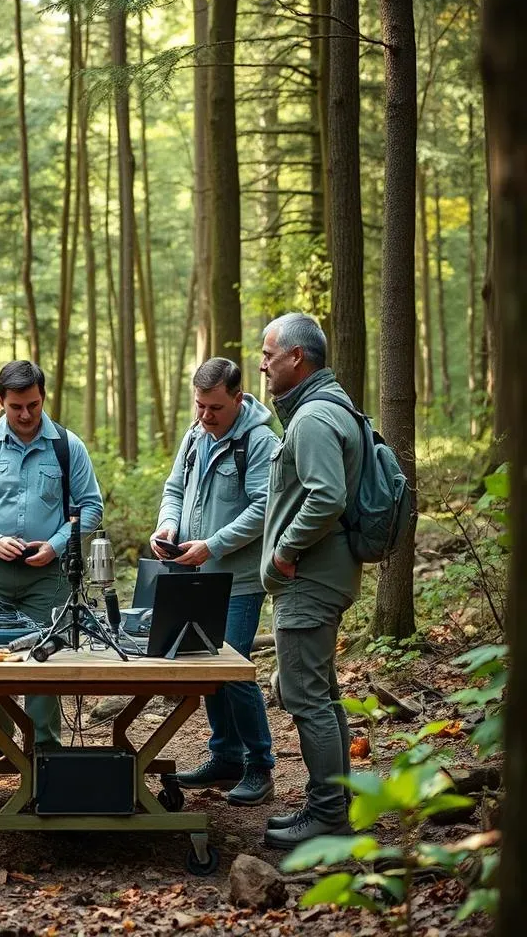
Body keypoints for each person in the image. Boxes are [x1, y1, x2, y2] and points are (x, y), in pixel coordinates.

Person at [0, 360, 104, 768]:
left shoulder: (67, 447)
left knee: (46, 657)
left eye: (33, 405)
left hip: (48, 574)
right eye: (16, 406)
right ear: (0, 400)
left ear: (43, 398)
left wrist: (55, 546)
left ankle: (44, 744)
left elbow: (91, 507)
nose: (25, 414)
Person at [151, 357, 279, 806]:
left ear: (238, 399)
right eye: (200, 406)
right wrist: (168, 527)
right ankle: (225, 755)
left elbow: (264, 509)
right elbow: (173, 491)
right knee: (206, 667)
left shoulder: (260, 442)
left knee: (235, 669)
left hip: (239, 578)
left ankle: (260, 764)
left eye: (215, 408)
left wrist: (214, 544)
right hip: (193, 573)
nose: (205, 416)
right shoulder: (193, 436)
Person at [258, 312, 363, 849]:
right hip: (322, 576)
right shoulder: (326, 408)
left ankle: (326, 815)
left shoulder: (313, 418)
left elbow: (326, 495)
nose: (262, 363)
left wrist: (284, 551)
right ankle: (333, 804)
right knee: (322, 695)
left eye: (269, 353)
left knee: (305, 697)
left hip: (310, 580)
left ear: (296, 357)